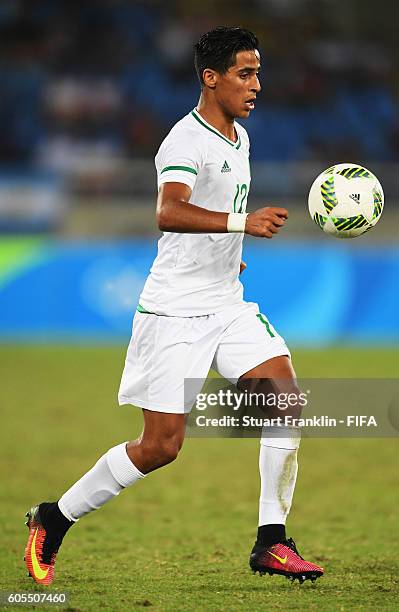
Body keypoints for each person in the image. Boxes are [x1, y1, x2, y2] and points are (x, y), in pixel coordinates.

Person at [24, 26, 323, 586]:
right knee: (161, 447)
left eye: (258, 72)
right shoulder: (184, 141)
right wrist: (243, 223)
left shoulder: (240, 135)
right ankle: (54, 518)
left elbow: (208, 217)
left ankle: (271, 542)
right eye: (245, 73)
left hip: (225, 303)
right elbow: (169, 210)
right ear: (211, 78)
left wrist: (228, 254)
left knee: (286, 402)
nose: (257, 84)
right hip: (174, 312)